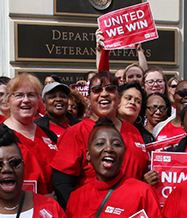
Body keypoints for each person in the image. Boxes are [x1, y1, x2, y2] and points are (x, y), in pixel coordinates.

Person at [50, 71, 156, 207]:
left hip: (132, 216)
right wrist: (78, 217)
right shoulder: (75, 133)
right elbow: (62, 184)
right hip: (93, 217)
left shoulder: (133, 131)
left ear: (119, 98)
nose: (104, 93)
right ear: (88, 98)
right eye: (97, 90)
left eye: (111, 89)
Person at [2, 74, 58, 187]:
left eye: (31, 95)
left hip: (52, 203)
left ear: (38, 101)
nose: (26, 100)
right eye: (19, 95)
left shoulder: (49, 135)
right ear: (8, 101)